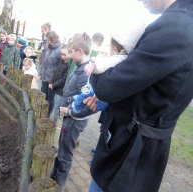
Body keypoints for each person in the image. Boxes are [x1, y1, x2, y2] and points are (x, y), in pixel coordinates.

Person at [86, 0, 193, 191]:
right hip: (139, 149)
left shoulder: (177, 26)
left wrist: (96, 68)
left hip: (130, 154)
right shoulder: (183, 22)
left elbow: (109, 87)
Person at [50, 33, 95, 191]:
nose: (69, 54)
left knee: (65, 153)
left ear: (80, 51)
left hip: (74, 120)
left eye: (71, 51)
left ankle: (59, 184)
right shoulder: (79, 68)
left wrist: (69, 110)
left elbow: (87, 105)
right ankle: (54, 176)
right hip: (69, 118)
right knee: (62, 147)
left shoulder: (85, 74)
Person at [39, 31, 62, 117]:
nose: (47, 41)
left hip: (52, 79)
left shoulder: (59, 50)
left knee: (50, 98)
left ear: (53, 40)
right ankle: (42, 111)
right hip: (45, 76)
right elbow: (44, 62)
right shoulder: (48, 48)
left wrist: (55, 80)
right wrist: (40, 72)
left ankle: (47, 114)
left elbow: (60, 66)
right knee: (43, 95)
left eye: (48, 39)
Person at [49, 44, 70, 124]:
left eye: (65, 54)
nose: (62, 56)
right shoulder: (61, 61)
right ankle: (55, 122)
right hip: (56, 89)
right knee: (56, 106)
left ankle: (55, 123)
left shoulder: (68, 65)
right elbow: (55, 72)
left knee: (57, 107)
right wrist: (51, 82)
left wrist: (54, 85)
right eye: (61, 54)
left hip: (60, 91)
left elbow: (64, 79)